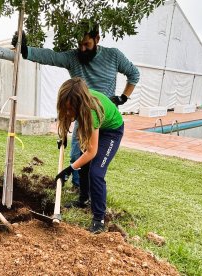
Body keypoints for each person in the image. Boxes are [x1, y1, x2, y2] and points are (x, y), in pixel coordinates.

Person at [12, 24, 139, 190]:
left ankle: (90, 190)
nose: (82, 49)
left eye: (87, 44)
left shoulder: (113, 56)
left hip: (104, 116)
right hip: (82, 114)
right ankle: (79, 189)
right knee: (76, 154)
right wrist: (26, 50)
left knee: (95, 158)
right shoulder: (74, 57)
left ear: (97, 39)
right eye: (79, 44)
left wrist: (123, 97)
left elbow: (134, 74)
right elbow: (51, 57)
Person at [54, 77, 124, 234]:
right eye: (65, 108)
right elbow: (65, 118)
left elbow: (92, 152)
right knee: (83, 165)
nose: (67, 112)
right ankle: (83, 200)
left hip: (111, 131)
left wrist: (69, 169)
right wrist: (63, 137)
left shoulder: (91, 112)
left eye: (71, 109)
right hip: (96, 126)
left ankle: (99, 219)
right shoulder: (72, 102)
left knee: (96, 172)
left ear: (80, 104)